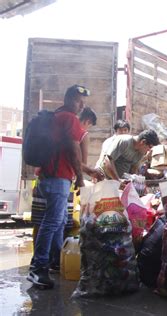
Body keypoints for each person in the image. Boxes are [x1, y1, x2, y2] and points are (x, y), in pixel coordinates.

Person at [28, 84, 89, 289]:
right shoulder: (69, 118)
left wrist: (87, 171)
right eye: (79, 101)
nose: (81, 106)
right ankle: (38, 268)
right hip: (58, 178)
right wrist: (80, 179)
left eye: (83, 103)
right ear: (69, 99)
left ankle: (54, 260)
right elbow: (73, 151)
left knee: (60, 220)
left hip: (50, 177)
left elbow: (66, 152)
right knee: (52, 221)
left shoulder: (57, 116)